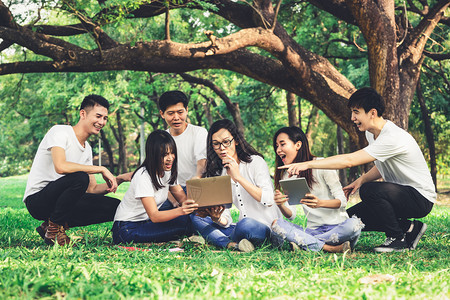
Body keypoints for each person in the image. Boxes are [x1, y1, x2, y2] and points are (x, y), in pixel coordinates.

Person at [280, 87, 436, 252]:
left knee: (369, 190)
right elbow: (382, 164)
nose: (352, 118)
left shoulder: (392, 137)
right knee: (351, 219)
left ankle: (397, 239)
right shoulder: (372, 134)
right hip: (401, 195)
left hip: (420, 199)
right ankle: (410, 228)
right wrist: (360, 180)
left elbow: (349, 161)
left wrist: (308, 164)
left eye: (356, 112)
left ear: (372, 113)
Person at [23, 95, 131, 246]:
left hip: (60, 202)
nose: (102, 122)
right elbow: (61, 167)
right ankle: (54, 231)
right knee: (80, 177)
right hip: (38, 201)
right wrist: (100, 169)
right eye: (98, 116)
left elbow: (92, 189)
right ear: (83, 114)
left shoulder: (87, 150)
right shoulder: (60, 132)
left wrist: (120, 179)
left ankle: (49, 226)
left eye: (105, 118)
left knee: (115, 207)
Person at [190, 119, 282, 252]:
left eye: (226, 142)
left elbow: (268, 199)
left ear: (236, 141)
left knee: (245, 224)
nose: (222, 148)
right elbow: (226, 217)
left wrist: (238, 177)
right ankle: (233, 244)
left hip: (263, 227)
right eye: (216, 144)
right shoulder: (220, 173)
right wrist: (217, 218)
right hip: (238, 228)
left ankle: (220, 240)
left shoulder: (256, 162)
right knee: (196, 218)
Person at [270, 126, 363, 253]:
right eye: (276, 146)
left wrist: (320, 203)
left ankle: (306, 242)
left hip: (338, 227)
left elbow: (342, 202)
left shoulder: (321, 164)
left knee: (354, 225)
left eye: (282, 144)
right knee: (277, 224)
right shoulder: (287, 175)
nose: (278, 150)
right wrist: (280, 205)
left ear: (298, 145)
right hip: (313, 229)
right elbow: (291, 215)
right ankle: (329, 248)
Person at [112, 130, 198, 244]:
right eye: (164, 155)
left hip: (146, 223)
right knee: (187, 224)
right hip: (126, 230)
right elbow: (155, 216)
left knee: (192, 220)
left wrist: (200, 208)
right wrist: (182, 211)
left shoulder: (167, 171)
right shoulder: (144, 176)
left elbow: (183, 199)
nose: (170, 158)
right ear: (153, 155)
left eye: (172, 153)